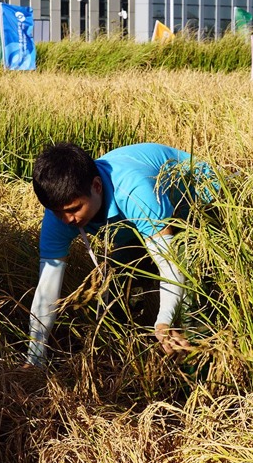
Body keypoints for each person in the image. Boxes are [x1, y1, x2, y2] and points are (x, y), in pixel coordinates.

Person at [25, 141, 213, 367]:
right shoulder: (59, 215)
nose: (67, 220)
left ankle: (201, 372)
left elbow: (171, 264)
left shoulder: (134, 191)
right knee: (113, 291)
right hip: (137, 226)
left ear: (96, 186)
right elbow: (47, 288)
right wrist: (35, 357)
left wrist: (163, 322)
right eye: (58, 213)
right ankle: (127, 364)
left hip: (201, 205)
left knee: (189, 301)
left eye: (74, 210)